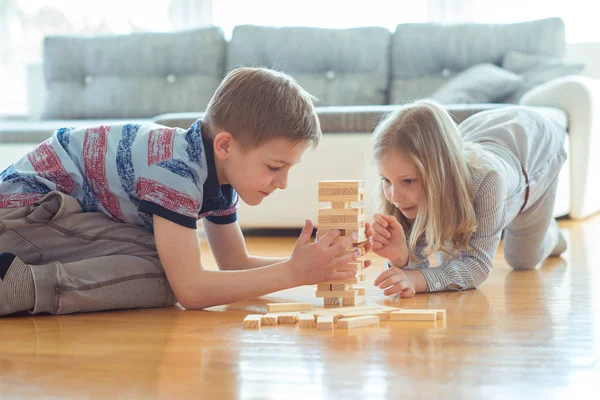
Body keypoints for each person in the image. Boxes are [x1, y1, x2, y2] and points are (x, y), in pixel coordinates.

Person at [0, 67, 364, 316]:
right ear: (225, 145)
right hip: (23, 214)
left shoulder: (214, 174)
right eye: (274, 167)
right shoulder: (177, 170)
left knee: (168, 264)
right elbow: (192, 292)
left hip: (48, 219)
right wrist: (293, 273)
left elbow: (234, 265)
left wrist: (313, 266)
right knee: (166, 275)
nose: (282, 182)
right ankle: (17, 285)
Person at [366, 99, 567, 298]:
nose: (395, 196)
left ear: (440, 173)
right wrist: (401, 258)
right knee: (450, 256)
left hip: (534, 147)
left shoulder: (489, 180)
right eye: (386, 180)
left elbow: (476, 266)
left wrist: (417, 280)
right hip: (484, 128)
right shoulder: (411, 190)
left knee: (522, 260)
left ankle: (551, 232)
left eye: (408, 181)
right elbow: (415, 269)